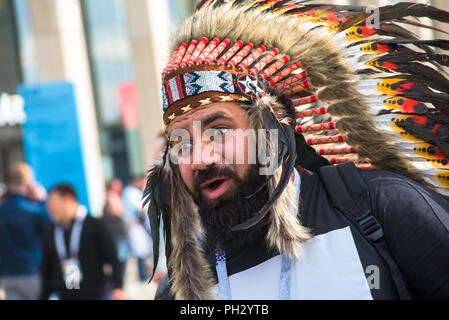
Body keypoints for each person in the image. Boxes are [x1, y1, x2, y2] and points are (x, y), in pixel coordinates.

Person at [147, 1, 449, 300]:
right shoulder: (183, 289)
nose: (200, 159)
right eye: (181, 143)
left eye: (220, 131)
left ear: (270, 126)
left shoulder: (384, 206)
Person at [40, 184, 125, 300]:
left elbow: (113, 259)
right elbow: (47, 269)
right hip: (65, 295)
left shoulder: (95, 226)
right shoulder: (51, 231)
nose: (49, 208)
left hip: (97, 294)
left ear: (68, 200)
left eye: (52, 202)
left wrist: (118, 287)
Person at [0, 162, 50, 300]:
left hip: (8, 274)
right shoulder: (35, 210)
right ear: (28, 182)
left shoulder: (2, 210)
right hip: (33, 272)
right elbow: (53, 230)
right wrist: (42, 201)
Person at [102, 178, 130, 281]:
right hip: (117, 237)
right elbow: (117, 211)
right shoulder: (111, 197)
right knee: (119, 263)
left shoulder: (117, 197)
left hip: (121, 235)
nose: (120, 187)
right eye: (116, 185)